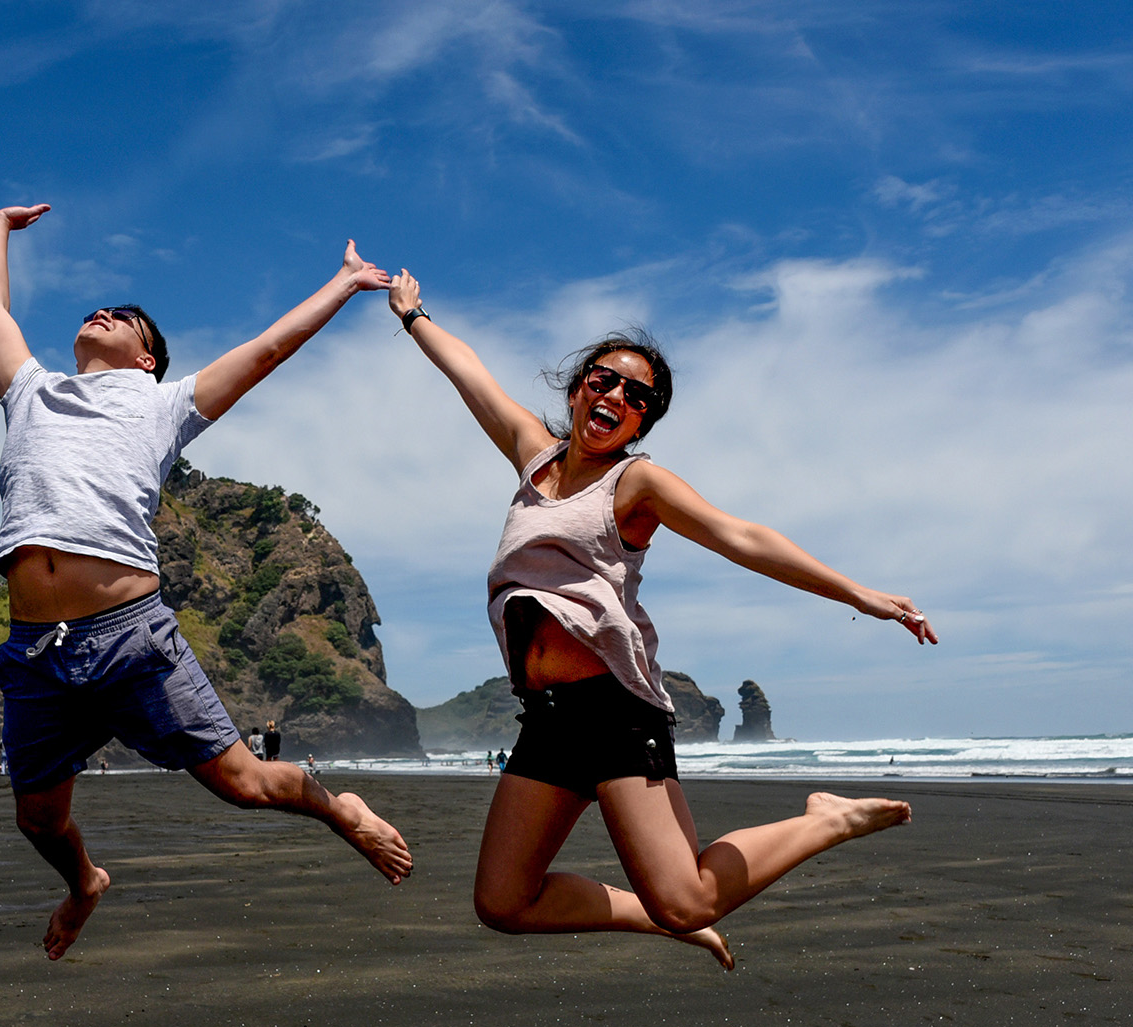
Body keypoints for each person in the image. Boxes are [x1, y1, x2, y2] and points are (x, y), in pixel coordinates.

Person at [387, 270, 934, 969]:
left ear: (643, 421)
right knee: (503, 901)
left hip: (614, 712)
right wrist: (413, 316)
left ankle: (824, 820)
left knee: (691, 897)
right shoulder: (535, 456)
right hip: (548, 717)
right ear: (580, 385)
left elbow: (741, 536)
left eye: (635, 396)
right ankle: (659, 921)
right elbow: (471, 377)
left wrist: (860, 595)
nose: (614, 396)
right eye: (603, 379)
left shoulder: (635, 484)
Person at [0, 202, 413, 961]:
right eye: (98, 310)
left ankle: (341, 810)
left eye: (126, 318)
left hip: (130, 638)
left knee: (243, 784)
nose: (104, 313)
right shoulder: (31, 392)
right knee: (38, 822)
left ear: (148, 359)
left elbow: (271, 347)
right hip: (36, 653)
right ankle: (85, 885)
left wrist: (343, 284)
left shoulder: (164, 403)